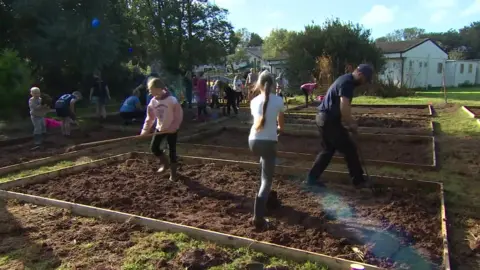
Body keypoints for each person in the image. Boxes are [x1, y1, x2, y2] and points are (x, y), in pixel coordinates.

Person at [306, 64, 374, 189]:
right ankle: (358, 181)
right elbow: (344, 106)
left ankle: (311, 179)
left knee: (328, 150)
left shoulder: (345, 80)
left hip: (323, 118)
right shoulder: (347, 83)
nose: (364, 83)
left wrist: (345, 122)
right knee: (350, 149)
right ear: (360, 74)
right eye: (365, 80)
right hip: (328, 120)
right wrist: (351, 123)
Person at [248, 70, 285, 229]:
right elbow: (281, 125)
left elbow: (259, 118)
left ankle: (267, 199)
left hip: (253, 141)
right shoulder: (279, 100)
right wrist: (278, 129)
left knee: (264, 166)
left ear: (259, 85)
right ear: (273, 84)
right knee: (266, 181)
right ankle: (258, 218)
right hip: (268, 142)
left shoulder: (254, 101)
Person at [140, 78, 183, 181]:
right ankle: (165, 163)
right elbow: (150, 118)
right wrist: (145, 130)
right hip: (160, 128)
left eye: (151, 89)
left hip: (171, 129)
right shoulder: (153, 102)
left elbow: (178, 115)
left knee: (172, 150)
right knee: (154, 148)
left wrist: (174, 127)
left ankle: (173, 174)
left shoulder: (171, 100)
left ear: (159, 88)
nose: (150, 92)